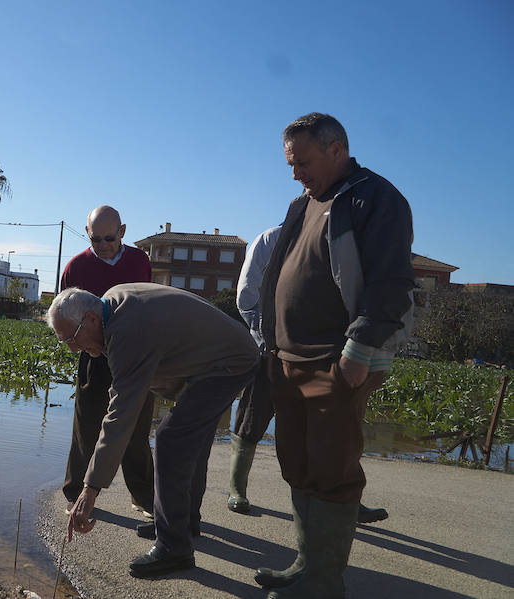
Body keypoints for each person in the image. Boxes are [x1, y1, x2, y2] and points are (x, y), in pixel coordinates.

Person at [255, 113, 414, 598]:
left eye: (301, 161)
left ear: (336, 149)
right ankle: (306, 564)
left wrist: (359, 350)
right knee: (297, 463)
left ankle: (326, 581)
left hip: (335, 359)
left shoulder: (375, 198)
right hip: (286, 357)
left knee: (333, 469)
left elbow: (391, 282)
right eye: (290, 163)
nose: (295, 172)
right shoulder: (301, 204)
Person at [47, 283, 259, 578]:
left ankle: (174, 548)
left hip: (230, 363)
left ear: (91, 319)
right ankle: (183, 522)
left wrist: (90, 489)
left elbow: (121, 416)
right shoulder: (112, 303)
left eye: (71, 338)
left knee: (171, 439)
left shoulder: (127, 330)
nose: (72, 348)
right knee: (188, 440)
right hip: (219, 357)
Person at [228, 225, 389, 525]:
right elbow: (247, 296)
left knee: (335, 427)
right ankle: (237, 488)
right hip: (271, 347)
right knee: (253, 415)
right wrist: (270, 338)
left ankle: (344, 500)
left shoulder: (340, 241)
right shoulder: (269, 240)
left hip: (322, 350)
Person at [59, 205, 156, 518]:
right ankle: (76, 494)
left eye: (109, 238)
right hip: (94, 355)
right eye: (96, 238)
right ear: (87, 233)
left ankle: (143, 497)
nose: (102, 244)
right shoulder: (75, 267)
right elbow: (64, 314)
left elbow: (148, 306)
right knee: (86, 426)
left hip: (136, 356)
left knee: (137, 431)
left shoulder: (141, 261)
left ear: (123, 232)